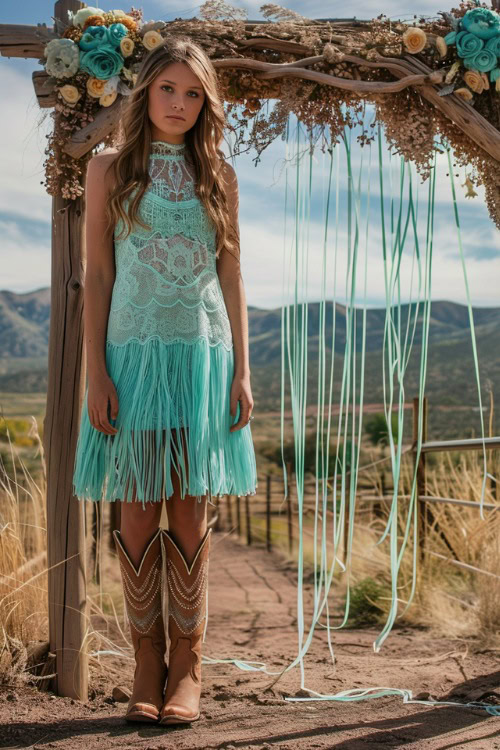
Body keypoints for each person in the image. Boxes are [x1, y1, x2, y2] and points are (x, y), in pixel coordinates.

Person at [72, 35, 258, 726]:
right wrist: (96, 373)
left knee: (189, 507)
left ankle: (189, 666)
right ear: (145, 92)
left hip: (202, 358)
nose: (179, 104)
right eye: (167, 89)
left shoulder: (221, 176)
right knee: (138, 506)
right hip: (136, 358)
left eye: (192, 93)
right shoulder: (107, 169)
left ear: (206, 102)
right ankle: (144, 663)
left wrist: (243, 367)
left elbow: (233, 275)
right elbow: (98, 275)